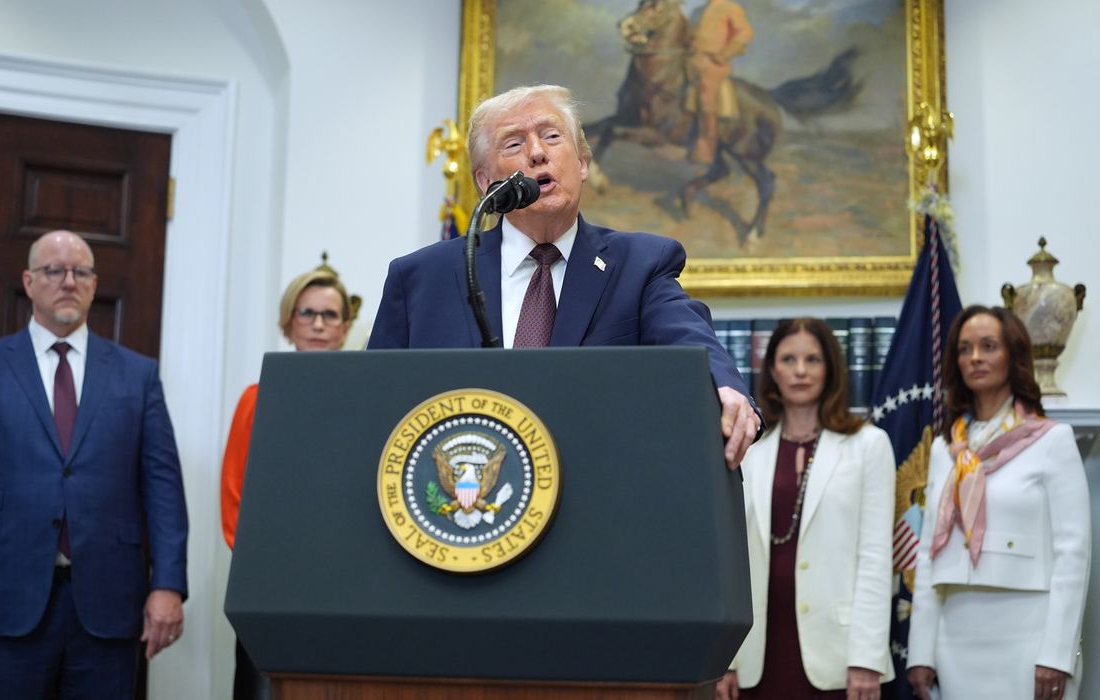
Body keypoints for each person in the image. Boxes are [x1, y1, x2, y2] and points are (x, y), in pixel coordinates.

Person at [367, 84, 760, 468]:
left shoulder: (639, 265)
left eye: (552, 136)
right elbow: (375, 407)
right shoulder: (421, 279)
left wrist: (723, 386)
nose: (538, 153)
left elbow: (689, 338)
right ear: (486, 182)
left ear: (583, 163)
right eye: (514, 144)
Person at [0, 230, 188, 700]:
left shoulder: (137, 375)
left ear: (94, 284)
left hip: (108, 606)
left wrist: (168, 584)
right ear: (29, 281)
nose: (69, 281)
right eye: (54, 270)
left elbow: (163, 489)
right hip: (2, 602)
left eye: (81, 272)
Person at [907, 305, 1089, 700]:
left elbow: (1073, 555)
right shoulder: (945, 449)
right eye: (965, 348)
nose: (975, 357)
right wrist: (920, 652)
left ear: (1013, 356)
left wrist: (1058, 654)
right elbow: (927, 553)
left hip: (1029, 635)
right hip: (955, 637)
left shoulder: (1051, 440)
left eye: (988, 346)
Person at [716, 318, 894, 700]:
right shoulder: (747, 449)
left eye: (812, 359)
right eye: (788, 359)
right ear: (771, 370)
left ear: (831, 369)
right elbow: (728, 557)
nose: (800, 371)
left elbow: (876, 559)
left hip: (839, 654)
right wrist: (727, 658)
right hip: (755, 653)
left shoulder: (869, 445)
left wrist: (867, 659)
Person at [220, 259, 359, 699]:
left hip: (345, 586)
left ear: (344, 327)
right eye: (307, 313)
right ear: (288, 323)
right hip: (270, 587)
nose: (318, 324)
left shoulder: (364, 401)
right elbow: (234, 500)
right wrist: (272, 565)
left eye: (329, 315)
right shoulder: (257, 399)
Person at [688, 0, 754, 165]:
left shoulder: (730, 7)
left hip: (713, 62)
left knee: (706, 99)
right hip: (692, 59)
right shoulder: (699, 10)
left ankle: (707, 149)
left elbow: (745, 33)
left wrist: (724, 54)